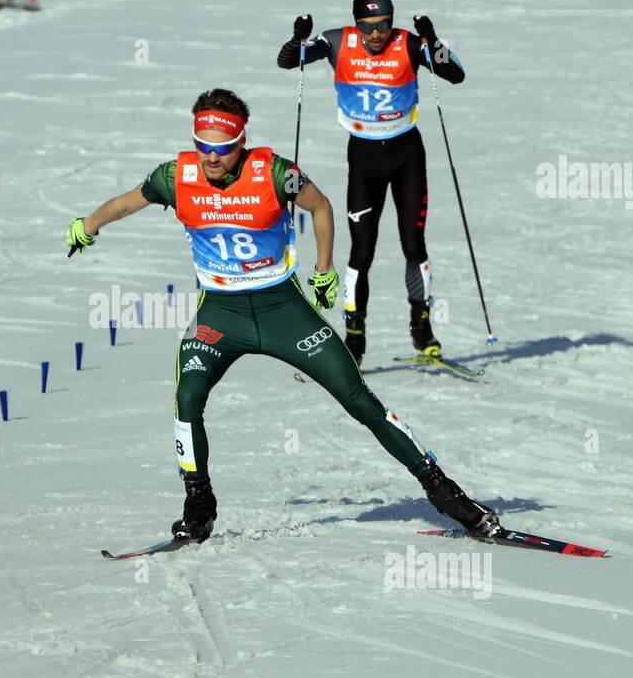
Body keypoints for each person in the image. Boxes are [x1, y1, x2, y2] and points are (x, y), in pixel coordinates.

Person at [64, 88, 499, 544]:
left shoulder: (273, 172)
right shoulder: (174, 177)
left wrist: (325, 270)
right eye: (204, 145)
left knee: (358, 399)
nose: (212, 157)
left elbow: (321, 206)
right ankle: (199, 504)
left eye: (224, 147)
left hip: (283, 310)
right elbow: (126, 202)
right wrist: (88, 226)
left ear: (242, 140)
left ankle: (445, 492)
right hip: (220, 314)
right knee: (187, 397)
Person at [276, 0, 465, 366]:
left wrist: (433, 42)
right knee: (362, 251)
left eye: (383, 25)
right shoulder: (336, 42)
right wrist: (298, 38)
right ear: (356, 22)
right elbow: (286, 60)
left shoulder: (409, 43)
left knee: (414, 246)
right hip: (363, 159)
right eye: (368, 26)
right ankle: (354, 340)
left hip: (407, 154)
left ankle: (422, 327)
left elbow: (455, 74)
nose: (377, 34)